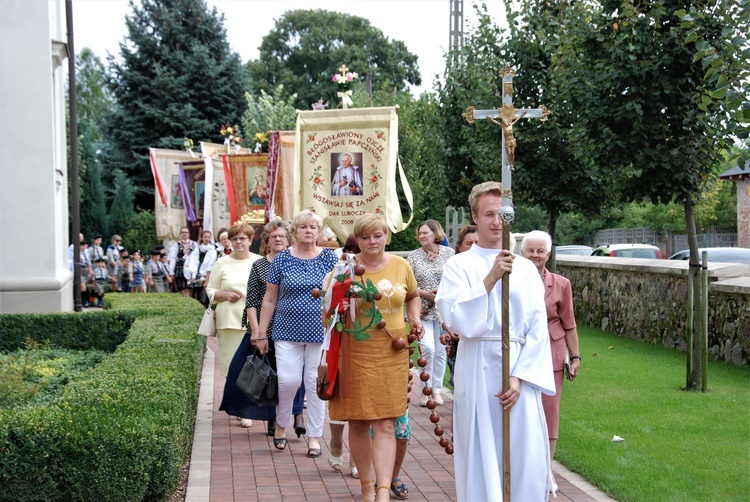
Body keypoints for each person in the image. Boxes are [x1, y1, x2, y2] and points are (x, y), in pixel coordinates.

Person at [435, 181, 555, 502]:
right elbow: (457, 320)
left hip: (519, 371)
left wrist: (518, 377)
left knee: (522, 453)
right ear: (475, 216)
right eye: (488, 214)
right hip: (477, 366)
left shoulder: (527, 270)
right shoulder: (459, 266)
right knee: (480, 450)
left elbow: (537, 329)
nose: (496, 221)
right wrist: (490, 278)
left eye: (501, 214)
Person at [322, 213, 422, 502]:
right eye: (365, 236)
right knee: (358, 422)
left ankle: (382, 490)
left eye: (377, 235)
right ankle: (366, 486)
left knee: (387, 423)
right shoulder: (345, 271)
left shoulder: (402, 266)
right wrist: (338, 305)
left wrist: (414, 318)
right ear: (357, 240)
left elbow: (413, 295)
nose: (372, 241)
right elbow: (325, 314)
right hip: (355, 353)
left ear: (386, 236)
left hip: (392, 352)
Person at [253, 210, 338, 457]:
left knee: (314, 384)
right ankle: (281, 424)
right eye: (303, 227)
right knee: (288, 381)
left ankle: (314, 436)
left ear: (319, 231)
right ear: (295, 232)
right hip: (285, 330)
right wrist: (261, 332)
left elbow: (338, 294)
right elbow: (269, 299)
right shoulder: (282, 259)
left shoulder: (329, 259)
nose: (308, 231)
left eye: (313, 227)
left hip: (320, 332)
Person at [220, 220, 305, 435]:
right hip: (265, 328)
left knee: (295, 373)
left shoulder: (297, 261)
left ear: (289, 240)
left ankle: (298, 413)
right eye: (273, 236)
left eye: (282, 236)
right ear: (267, 241)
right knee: (270, 374)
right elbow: (252, 302)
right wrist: (257, 332)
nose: (278, 239)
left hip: (292, 327)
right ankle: (272, 416)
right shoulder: (259, 266)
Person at [521, 230, 581, 493]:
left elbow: (569, 324)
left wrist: (575, 356)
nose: (535, 255)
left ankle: (547, 471)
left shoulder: (562, 284)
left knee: (549, 413)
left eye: (540, 251)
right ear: (522, 253)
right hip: (520, 352)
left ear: (549, 253)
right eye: (530, 250)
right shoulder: (513, 279)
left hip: (552, 353)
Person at [406, 219, 454, 406]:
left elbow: (455, 279)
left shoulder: (449, 254)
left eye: (425, 232)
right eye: (420, 233)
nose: (421, 236)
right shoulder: (414, 257)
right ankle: (425, 390)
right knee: (428, 348)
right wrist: (425, 293)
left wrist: (441, 295)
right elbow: (408, 285)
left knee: (441, 351)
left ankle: (436, 390)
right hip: (422, 309)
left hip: (444, 310)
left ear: (436, 233)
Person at [205, 223, 261, 378]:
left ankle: (250, 402)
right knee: (231, 368)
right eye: (234, 239)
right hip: (229, 323)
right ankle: (233, 401)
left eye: (242, 238)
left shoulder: (260, 262)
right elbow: (210, 290)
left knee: (254, 370)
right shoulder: (221, 263)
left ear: (250, 240)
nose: (238, 242)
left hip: (256, 323)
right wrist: (224, 295)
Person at [441, 225, 480, 387]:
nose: (474, 247)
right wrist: (446, 329)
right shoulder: (453, 267)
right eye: (469, 243)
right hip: (459, 332)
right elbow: (444, 302)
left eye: (477, 242)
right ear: (459, 246)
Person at [188, 230, 217, 305]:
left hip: (206, 273)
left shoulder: (212, 249)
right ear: (201, 238)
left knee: (204, 295)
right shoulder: (197, 249)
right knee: (195, 293)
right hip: (197, 271)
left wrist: (203, 276)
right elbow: (193, 261)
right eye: (205, 237)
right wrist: (193, 274)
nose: (207, 239)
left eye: (208, 237)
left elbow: (210, 263)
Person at [168, 227, 197, 296]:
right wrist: (171, 272)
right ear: (180, 234)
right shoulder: (176, 245)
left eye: (186, 232)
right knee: (183, 288)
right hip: (180, 268)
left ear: (189, 234)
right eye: (182, 232)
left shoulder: (194, 244)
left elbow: (196, 258)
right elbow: (173, 258)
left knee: (192, 289)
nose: (184, 234)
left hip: (191, 269)